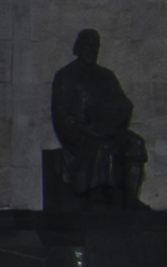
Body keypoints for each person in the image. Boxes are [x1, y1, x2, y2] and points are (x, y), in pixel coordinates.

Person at [44, 27, 140, 210]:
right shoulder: (66, 76)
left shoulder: (107, 76)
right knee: (101, 145)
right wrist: (82, 129)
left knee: (135, 143)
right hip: (82, 134)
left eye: (95, 47)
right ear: (78, 48)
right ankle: (96, 195)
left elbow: (123, 103)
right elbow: (62, 111)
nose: (91, 51)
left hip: (110, 130)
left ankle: (131, 197)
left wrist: (115, 120)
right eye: (87, 46)